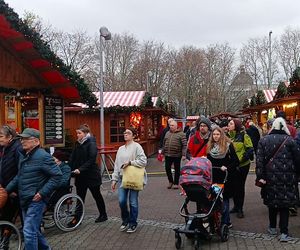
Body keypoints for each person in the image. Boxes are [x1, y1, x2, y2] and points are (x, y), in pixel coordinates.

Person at [5, 128, 62, 250]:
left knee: (29, 232)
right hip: (25, 198)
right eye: (21, 138)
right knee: (33, 230)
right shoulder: (25, 156)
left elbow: (57, 176)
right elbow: (19, 176)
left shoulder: (43, 156)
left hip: (36, 200)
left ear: (36, 141)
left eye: (26, 139)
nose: (22, 141)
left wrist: (42, 193)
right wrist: (6, 190)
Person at [256, 117, 300, 242]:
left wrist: (261, 177)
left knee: (272, 203)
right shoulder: (290, 141)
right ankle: (284, 232)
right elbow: (298, 160)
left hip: (270, 177)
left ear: (272, 126)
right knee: (284, 205)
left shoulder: (264, 141)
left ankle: (272, 228)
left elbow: (259, 162)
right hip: (287, 178)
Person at [69, 124, 107, 224]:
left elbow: (91, 160)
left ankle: (103, 215)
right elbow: (73, 157)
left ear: (85, 133)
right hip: (80, 176)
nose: (77, 135)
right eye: (77, 133)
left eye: (79, 133)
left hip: (91, 175)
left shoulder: (91, 143)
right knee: (80, 197)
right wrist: (70, 167)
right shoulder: (78, 143)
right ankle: (77, 218)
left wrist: (80, 169)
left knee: (97, 195)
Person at [111, 127, 147, 233]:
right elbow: (117, 165)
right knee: (122, 201)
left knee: (133, 202)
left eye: (128, 133)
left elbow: (143, 161)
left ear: (133, 135)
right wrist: (114, 179)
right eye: (124, 132)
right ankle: (125, 220)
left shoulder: (137, 147)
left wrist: (131, 163)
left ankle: (133, 223)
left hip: (134, 178)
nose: (125, 134)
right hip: (123, 178)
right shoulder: (121, 148)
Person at [206, 126, 239, 228]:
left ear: (221, 135)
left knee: (224, 199)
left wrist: (227, 167)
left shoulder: (228, 146)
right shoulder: (210, 147)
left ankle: (226, 221)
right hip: (214, 177)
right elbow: (209, 159)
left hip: (225, 177)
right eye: (214, 134)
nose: (216, 136)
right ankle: (215, 220)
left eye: (218, 134)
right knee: (214, 198)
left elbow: (236, 161)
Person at [0, 125, 23, 248]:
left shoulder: (17, 148)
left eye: (1, 136)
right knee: (4, 217)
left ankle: (5, 243)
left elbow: (21, 172)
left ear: (10, 137)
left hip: (14, 191)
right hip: (4, 189)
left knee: (8, 217)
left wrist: (11, 189)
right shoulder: (4, 147)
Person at [227, 119, 253, 218]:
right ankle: (235, 206)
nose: (228, 125)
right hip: (232, 166)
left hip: (242, 166)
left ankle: (240, 208)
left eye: (231, 123)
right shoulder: (227, 136)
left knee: (240, 187)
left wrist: (240, 160)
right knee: (233, 186)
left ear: (236, 125)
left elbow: (250, 149)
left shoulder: (243, 135)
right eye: (229, 124)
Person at [162, 120, 187, 189]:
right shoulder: (167, 133)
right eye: (170, 125)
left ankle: (176, 183)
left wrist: (184, 155)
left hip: (177, 155)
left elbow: (184, 145)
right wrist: (162, 153)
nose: (171, 127)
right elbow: (164, 143)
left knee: (177, 169)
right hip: (168, 154)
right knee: (167, 168)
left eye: (172, 125)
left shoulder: (181, 134)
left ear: (176, 126)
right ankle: (170, 181)